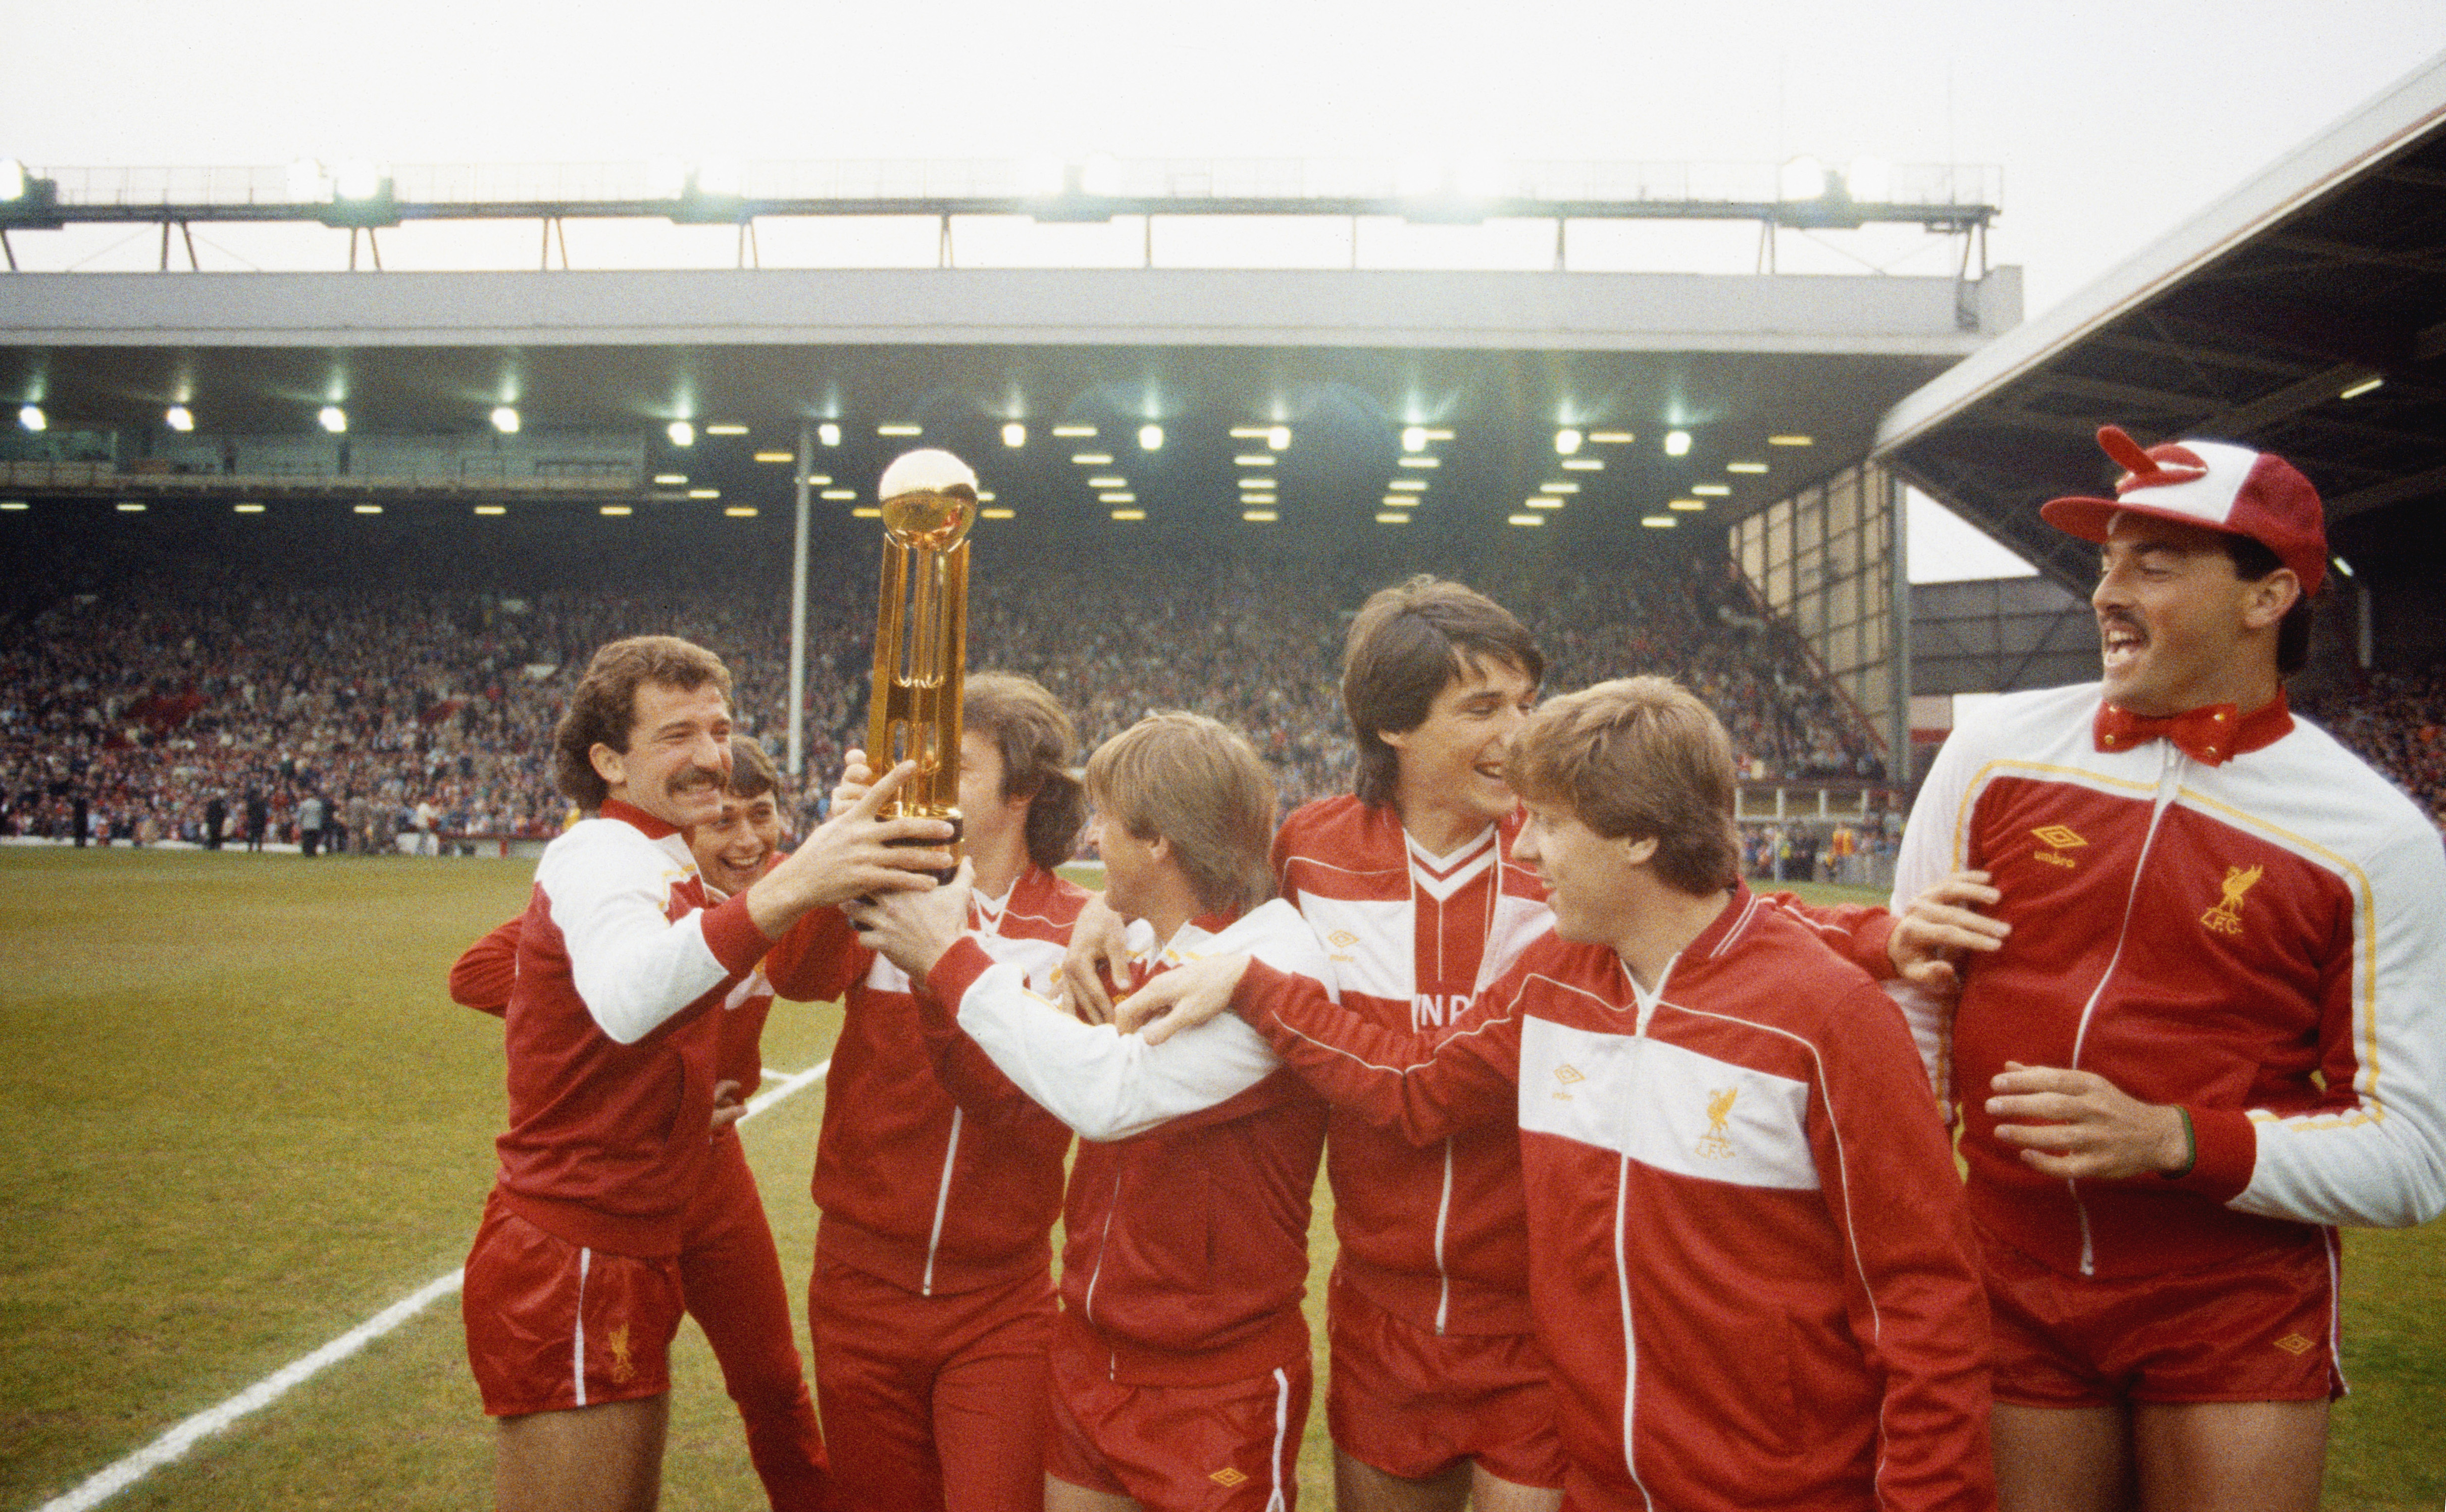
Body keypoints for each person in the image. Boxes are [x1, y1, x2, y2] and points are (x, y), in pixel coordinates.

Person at [1116, 678, 1995, 1512]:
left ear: (1638, 837)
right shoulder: (1556, 983)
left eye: (1550, 824)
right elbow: (1418, 1089)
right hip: (1598, 1485)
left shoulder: (1829, 1020)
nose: (1526, 850)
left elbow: (1925, 1315)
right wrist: (1237, 977)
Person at [1856, 426, 2446, 1512]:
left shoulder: (2376, 838)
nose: (2106, 593)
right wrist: (1910, 1220)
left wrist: (2174, 1139)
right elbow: (1916, 999)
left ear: (2266, 599)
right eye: (2105, 562)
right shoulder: (1990, 755)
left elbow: (2413, 1152)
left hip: (2227, 1296)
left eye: (2153, 566)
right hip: (2009, 1274)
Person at [1068, 576, 1564, 1512]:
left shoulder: (1563, 854)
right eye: (1484, 707)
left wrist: (1882, 933)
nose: (1521, 734)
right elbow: (1188, 892)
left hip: (1535, 1325)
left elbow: (1712, 913)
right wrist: (1101, 908)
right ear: (1394, 726)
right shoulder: (1309, 850)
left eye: (1528, 705)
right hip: (1382, 1318)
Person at [457, 634, 952, 1512]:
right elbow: (625, 999)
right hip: (577, 1240)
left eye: (718, 729)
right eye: (676, 735)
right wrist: (796, 884)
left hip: (635, 1225)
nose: (709, 755)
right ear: (608, 760)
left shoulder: (671, 865)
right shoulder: (601, 856)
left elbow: (802, 974)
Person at [852, 711, 1339, 1512]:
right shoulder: (1139, 941)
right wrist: (933, 979)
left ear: (1159, 843)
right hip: (1090, 1354)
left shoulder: (1275, 960)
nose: (1089, 839)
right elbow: (1005, 1100)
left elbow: (1111, 1096)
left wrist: (951, 956)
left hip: (1216, 1379)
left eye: (1106, 820)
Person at [448, 736, 833, 1511]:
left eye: (763, 816)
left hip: (714, 1177)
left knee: (773, 1384)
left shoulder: (784, 896)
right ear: (688, 829)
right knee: (618, 1398)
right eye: (724, 822)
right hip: (624, 1179)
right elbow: (476, 973)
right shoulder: (642, 900)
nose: (749, 839)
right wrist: (634, 1057)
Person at [765, 672, 1093, 1512]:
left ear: (1024, 791)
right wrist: (837, 847)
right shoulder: (881, 889)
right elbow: (794, 976)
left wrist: (938, 963)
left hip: (1000, 1303)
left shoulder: (1077, 930)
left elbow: (1019, 1117)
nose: (921, 787)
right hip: (857, 1286)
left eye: (956, 769)